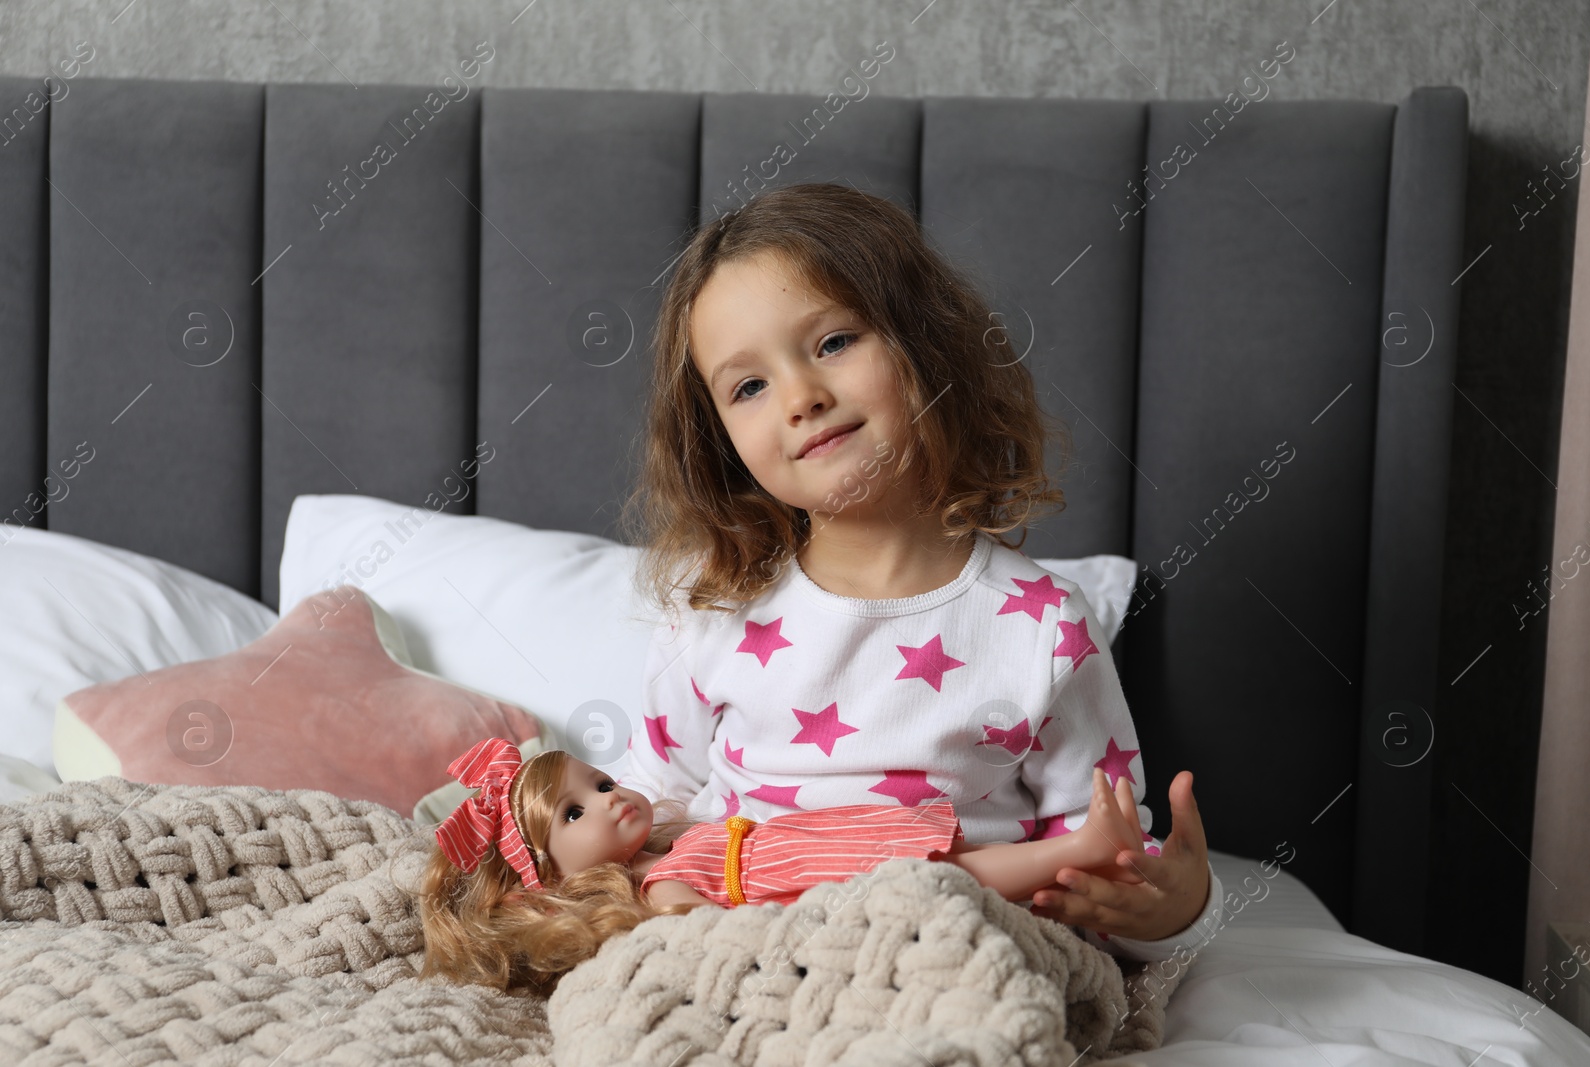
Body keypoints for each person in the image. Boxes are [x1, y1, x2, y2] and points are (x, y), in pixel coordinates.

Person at [612, 181, 1223, 962]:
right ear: (719, 437)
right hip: (748, 946)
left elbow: (1100, 858)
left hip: (945, 950)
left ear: (924, 345)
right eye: (750, 386)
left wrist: (1170, 904)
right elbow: (652, 808)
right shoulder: (715, 612)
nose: (801, 396)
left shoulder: (1043, 624)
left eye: (833, 342)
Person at [416, 739, 1154, 992]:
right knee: (956, 878)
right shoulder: (657, 885)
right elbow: (705, 933)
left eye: (600, 782)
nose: (607, 800)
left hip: (816, 845)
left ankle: (1078, 858)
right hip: (809, 885)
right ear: (549, 873)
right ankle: (1079, 850)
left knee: (959, 856)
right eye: (575, 814)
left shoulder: (668, 844)